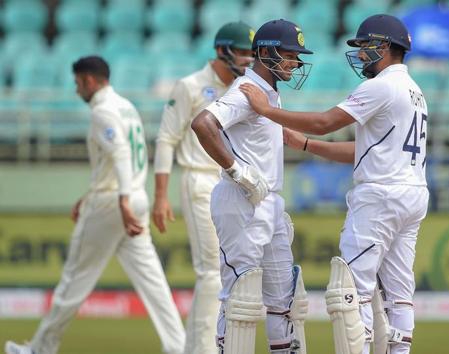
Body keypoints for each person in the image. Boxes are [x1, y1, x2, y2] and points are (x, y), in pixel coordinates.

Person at [239, 14, 429, 354]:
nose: (359, 55)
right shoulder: (415, 92)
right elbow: (365, 151)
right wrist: (306, 145)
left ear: (384, 47)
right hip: (412, 195)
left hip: (380, 196)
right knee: (399, 296)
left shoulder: (381, 86)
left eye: (364, 47)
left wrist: (267, 111)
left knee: (351, 292)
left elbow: (325, 121)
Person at [4, 56, 185, 354]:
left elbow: (121, 154)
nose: (77, 91)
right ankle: (180, 348)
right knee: (154, 284)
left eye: (77, 84)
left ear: (89, 80)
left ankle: (40, 349)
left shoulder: (102, 111)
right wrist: (97, 195)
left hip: (113, 204)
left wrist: (122, 200)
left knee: (73, 281)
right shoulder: (127, 106)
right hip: (134, 197)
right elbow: (114, 162)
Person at [190, 19, 312, 354]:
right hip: (242, 201)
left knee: (284, 300)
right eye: (289, 54)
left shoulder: (269, 93)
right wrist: (237, 172)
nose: (295, 62)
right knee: (240, 299)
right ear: (266, 52)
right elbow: (203, 124)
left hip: (269, 201)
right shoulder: (247, 91)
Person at [151, 21, 254, 354]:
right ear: (222, 50)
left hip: (231, 181)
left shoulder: (244, 88)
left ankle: (190, 348)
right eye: (241, 52)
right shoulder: (190, 85)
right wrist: (161, 195)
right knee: (211, 272)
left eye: (251, 53)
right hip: (198, 178)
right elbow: (167, 139)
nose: (248, 59)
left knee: (220, 272)